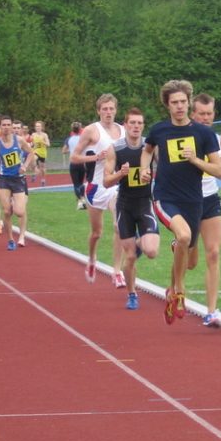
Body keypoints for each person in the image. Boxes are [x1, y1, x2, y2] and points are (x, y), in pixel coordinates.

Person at [139, 79, 221, 324]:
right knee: (184, 237)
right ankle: (179, 291)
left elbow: (218, 170)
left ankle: (173, 286)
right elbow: (146, 151)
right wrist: (145, 170)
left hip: (194, 201)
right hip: (165, 198)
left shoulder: (204, 133)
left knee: (191, 259)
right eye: (174, 102)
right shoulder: (159, 130)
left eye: (183, 102)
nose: (179, 106)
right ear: (167, 105)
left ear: (189, 103)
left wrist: (196, 160)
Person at [189, 93, 221, 326]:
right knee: (190, 261)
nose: (206, 118)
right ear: (193, 114)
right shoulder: (183, 137)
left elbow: (218, 166)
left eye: (210, 114)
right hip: (187, 201)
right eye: (202, 114)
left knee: (214, 252)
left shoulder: (216, 139)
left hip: (210, 199)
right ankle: (182, 246)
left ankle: (211, 311)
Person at [103, 108, 160, 310]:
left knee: (151, 251)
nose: (136, 126)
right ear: (125, 125)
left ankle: (138, 244)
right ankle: (132, 293)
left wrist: (152, 177)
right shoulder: (115, 149)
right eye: (132, 123)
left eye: (139, 123)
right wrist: (120, 174)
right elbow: (106, 182)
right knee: (130, 258)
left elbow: (162, 172)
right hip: (125, 205)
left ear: (143, 126)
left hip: (145, 202)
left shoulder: (150, 147)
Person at [70, 93, 126, 286]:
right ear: (98, 111)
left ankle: (117, 271)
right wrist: (96, 158)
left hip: (115, 184)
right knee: (97, 233)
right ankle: (92, 259)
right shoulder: (91, 131)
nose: (108, 112)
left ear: (116, 110)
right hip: (95, 187)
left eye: (111, 109)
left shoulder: (123, 130)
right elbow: (74, 158)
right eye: (104, 109)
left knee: (120, 226)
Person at [0, 116, 35, 250]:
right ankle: (11, 240)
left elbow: (31, 153)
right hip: (3, 179)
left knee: (19, 212)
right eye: (4, 125)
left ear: (12, 127)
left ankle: (22, 234)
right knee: (7, 211)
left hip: (18, 178)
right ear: (1, 126)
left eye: (9, 125)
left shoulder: (19, 140)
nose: (6, 127)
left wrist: (24, 165)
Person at [63, 122, 87, 210]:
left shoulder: (69, 139)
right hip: (82, 163)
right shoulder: (83, 139)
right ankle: (83, 198)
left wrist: (71, 149)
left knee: (76, 184)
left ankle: (80, 201)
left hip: (73, 163)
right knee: (81, 183)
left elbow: (63, 151)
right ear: (80, 129)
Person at [30, 120, 50, 186]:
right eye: (36, 126)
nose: (37, 127)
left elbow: (48, 144)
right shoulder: (33, 134)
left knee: (43, 168)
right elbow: (31, 143)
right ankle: (35, 173)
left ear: (42, 127)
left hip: (43, 153)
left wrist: (43, 142)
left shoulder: (44, 135)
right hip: (35, 151)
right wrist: (31, 144)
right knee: (33, 159)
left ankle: (43, 179)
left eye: (39, 126)